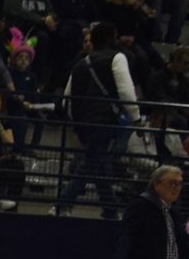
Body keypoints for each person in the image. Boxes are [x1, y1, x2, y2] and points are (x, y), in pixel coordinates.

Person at [55, 21, 138, 220]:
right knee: (91, 162)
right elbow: (126, 90)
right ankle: (62, 204)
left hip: (85, 122)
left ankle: (110, 210)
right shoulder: (117, 58)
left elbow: (68, 97)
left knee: (100, 162)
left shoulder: (81, 62)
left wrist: (76, 123)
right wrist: (135, 115)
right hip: (105, 120)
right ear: (111, 38)